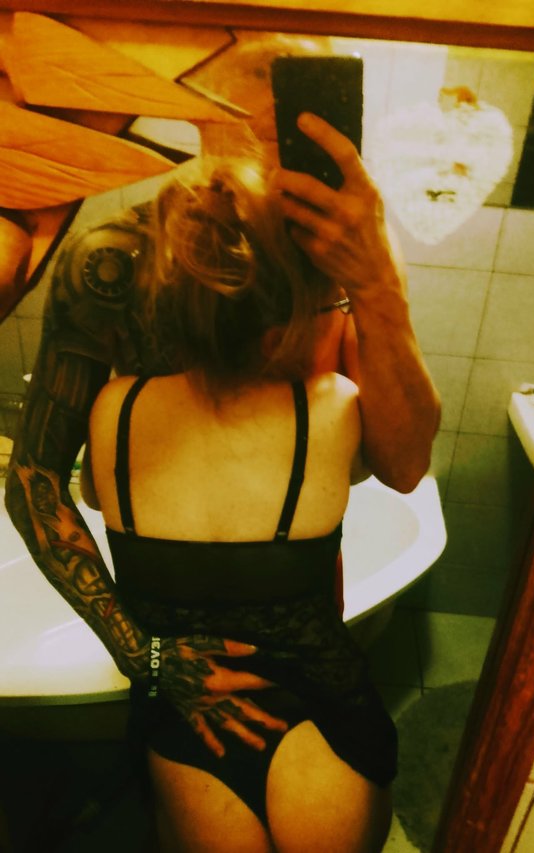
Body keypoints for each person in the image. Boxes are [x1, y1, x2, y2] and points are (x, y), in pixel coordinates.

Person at [4, 35, 440, 842]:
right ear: (209, 115)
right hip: (176, 649)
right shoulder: (116, 264)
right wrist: (145, 655)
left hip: (311, 642)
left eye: (314, 107)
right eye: (276, 110)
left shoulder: (342, 255)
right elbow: (34, 477)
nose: (298, 133)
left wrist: (378, 281)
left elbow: (406, 465)